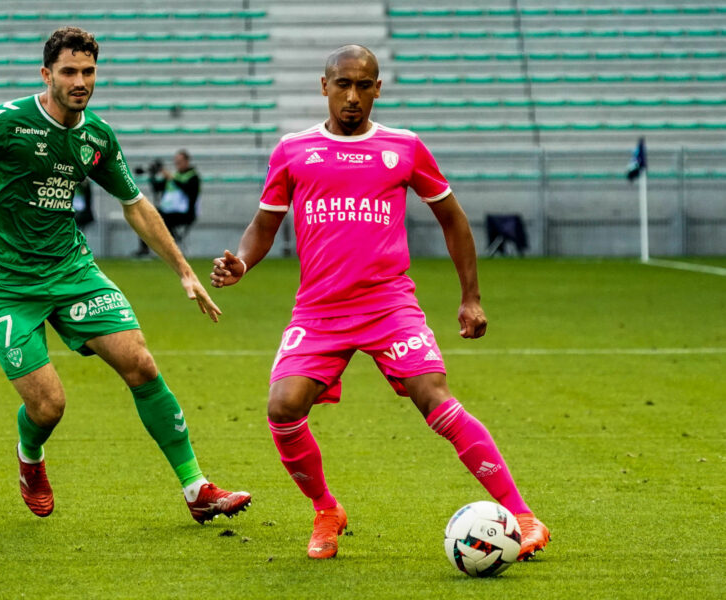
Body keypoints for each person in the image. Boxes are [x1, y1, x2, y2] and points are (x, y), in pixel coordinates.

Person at [211, 45, 549, 559]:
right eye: (343, 84)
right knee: (282, 407)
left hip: (389, 305)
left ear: (378, 89)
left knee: (433, 396)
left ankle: (524, 517)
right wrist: (242, 261)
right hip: (320, 311)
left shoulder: (405, 147)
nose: (353, 96)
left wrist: (471, 299)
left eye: (364, 85)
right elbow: (264, 224)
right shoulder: (293, 150)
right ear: (323, 86)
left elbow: (453, 219)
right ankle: (326, 510)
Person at [0, 26, 251, 523]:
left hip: (72, 269)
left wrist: (184, 271)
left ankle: (196, 488)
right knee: (49, 405)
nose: (81, 81)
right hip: (6, 280)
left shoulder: (96, 135)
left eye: (89, 71)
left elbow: (135, 205)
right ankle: (30, 460)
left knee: (140, 363)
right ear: (47, 74)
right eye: (70, 71)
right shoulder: (5, 122)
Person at [135, 150, 200, 257]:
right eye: (176, 162)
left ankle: (169, 250)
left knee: (164, 219)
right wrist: (152, 176)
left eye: (180, 161)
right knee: (146, 215)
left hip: (185, 214)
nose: (177, 164)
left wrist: (171, 178)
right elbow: (157, 188)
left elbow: (189, 190)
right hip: (168, 211)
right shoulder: (174, 176)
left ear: (187, 161)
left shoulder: (193, 177)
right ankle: (144, 249)